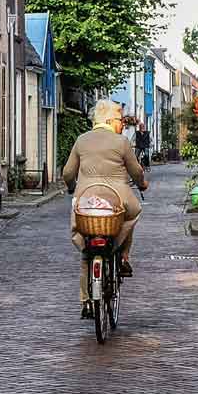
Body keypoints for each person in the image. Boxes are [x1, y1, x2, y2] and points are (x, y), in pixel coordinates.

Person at [63, 100, 147, 315]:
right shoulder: (121, 142)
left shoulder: (81, 140)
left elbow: (67, 173)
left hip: (86, 199)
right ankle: (123, 254)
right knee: (133, 212)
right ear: (110, 120)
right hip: (118, 197)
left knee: (85, 249)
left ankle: (85, 300)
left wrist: (73, 187)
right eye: (120, 119)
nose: (122, 124)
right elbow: (136, 171)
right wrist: (142, 184)